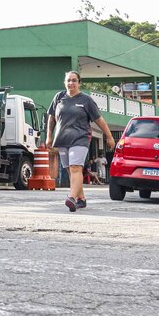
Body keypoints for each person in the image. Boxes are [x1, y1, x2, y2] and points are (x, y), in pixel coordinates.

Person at [46, 70, 116, 212]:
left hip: (81, 138)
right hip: (62, 139)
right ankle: (81, 198)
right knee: (70, 170)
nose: (71, 83)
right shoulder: (59, 97)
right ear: (65, 82)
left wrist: (109, 136)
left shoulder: (86, 100)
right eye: (68, 80)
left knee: (75, 167)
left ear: (79, 83)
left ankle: (71, 197)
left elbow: (99, 119)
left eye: (74, 80)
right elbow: (51, 118)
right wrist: (49, 136)